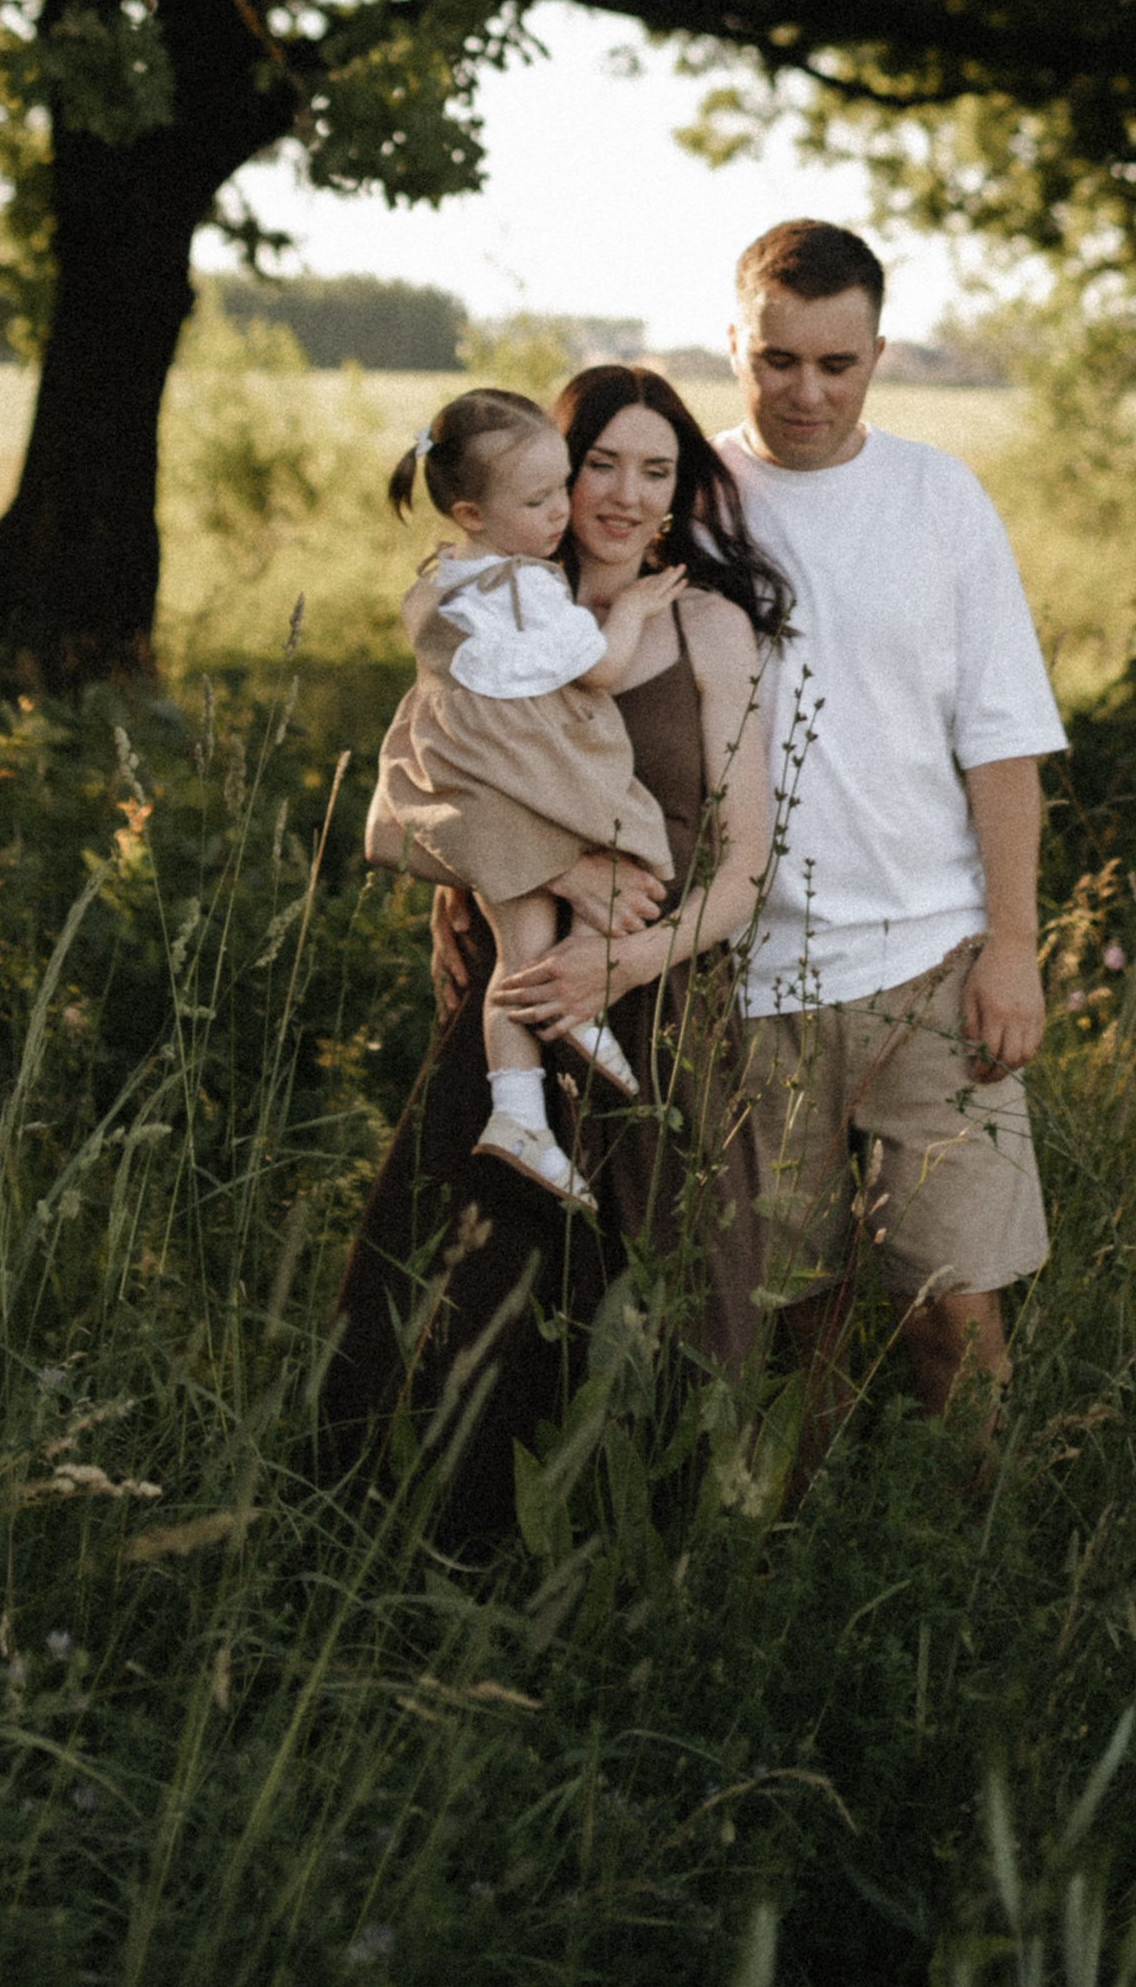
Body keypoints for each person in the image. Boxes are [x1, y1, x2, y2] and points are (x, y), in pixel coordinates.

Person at [325, 366, 786, 1535]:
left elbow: (745, 865)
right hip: (517, 1003)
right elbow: (406, 802)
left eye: (658, 469)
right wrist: (550, 872)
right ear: (548, 474)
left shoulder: (706, 625)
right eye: (602, 465)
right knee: (466, 1322)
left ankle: (644, 1604)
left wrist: (623, 962)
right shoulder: (490, 614)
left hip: (657, 1008)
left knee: (680, 1331)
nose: (628, 495)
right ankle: (436, 1590)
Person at [718, 217, 1065, 1419]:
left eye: (835, 362)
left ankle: (985, 1580)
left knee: (956, 1318)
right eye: (777, 358)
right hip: (749, 977)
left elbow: (1003, 739)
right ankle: (770, 1564)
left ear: (877, 354)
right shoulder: (688, 499)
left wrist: (1010, 945)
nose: (803, 390)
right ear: (735, 343)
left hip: (930, 964)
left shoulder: (937, 496)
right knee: (785, 1330)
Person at [370, 387, 688, 1208]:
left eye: (557, 491)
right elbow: (600, 667)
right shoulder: (521, 591)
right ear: (474, 509)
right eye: (543, 495)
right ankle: (539, 1077)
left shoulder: (452, 581)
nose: (560, 511)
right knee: (628, 840)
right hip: (516, 779)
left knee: (530, 946)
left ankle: (527, 1103)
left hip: (488, 774)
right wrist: (637, 609)